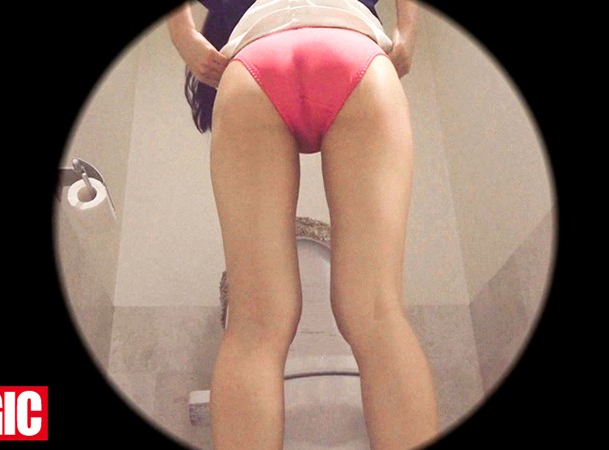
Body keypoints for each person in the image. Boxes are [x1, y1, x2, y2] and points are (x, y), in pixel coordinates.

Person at [168, 1, 439, 448]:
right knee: (378, 315)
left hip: (254, 62)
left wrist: (184, 36)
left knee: (254, 324)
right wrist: (407, 32)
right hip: (355, 51)